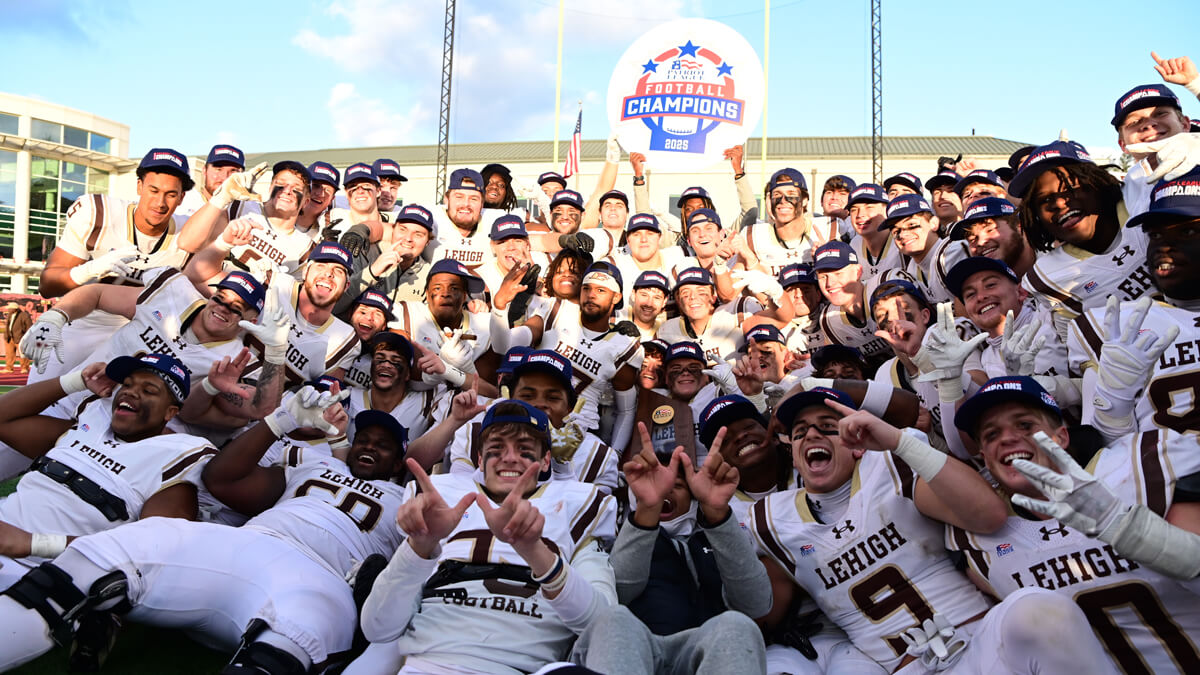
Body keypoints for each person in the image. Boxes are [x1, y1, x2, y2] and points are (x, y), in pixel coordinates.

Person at [0, 388, 411, 673]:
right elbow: (222, 479)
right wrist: (280, 420)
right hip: (244, 545)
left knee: (295, 642)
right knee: (110, 556)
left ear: (400, 462)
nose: (370, 446)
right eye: (364, 439)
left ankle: (111, 612)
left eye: (384, 445)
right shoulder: (316, 464)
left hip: (321, 578)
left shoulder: (411, 496)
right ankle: (104, 606)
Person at [750, 387, 1117, 674]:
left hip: (980, 643)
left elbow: (988, 514)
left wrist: (898, 441)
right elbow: (762, 613)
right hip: (901, 667)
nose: (812, 435)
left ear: (856, 443)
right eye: (800, 433)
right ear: (794, 452)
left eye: (829, 427)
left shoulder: (890, 467)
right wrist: (717, 524)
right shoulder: (771, 520)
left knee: (1039, 609)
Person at [947, 375, 1200, 673]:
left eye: (1025, 425)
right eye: (990, 435)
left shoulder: (1142, 466)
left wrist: (1136, 532)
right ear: (986, 461)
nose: (1006, 438)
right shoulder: (978, 540)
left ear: (1061, 438)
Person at [344, 400, 618, 675]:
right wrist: (420, 545)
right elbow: (378, 627)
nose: (509, 458)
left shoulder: (575, 505)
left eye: (524, 450)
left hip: (521, 666)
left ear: (546, 459)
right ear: (479, 458)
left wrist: (534, 550)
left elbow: (604, 625)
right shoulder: (442, 502)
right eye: (496, 449)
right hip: (429, 661)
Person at [0, 353, 214, 590]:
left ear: (170, 413)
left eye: (149, 390)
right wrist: (76, 381)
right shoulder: (90, 424)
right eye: (128, 384)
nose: (130, 392)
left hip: (40, 573)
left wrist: (34, 544)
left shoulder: (173, 458)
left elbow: (149, 555)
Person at [572, 422, 769, 675]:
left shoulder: (715, 537)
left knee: (736, 625)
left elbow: (757, 604)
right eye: (659, 484)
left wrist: (718, 516)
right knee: (615, 619)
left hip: (704, 652)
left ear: (693, 498)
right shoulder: (617, 534)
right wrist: (647, 510)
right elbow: (616, 594)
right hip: (635, 649)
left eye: (677, 486)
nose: (666, 490)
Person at [1067, 166, 1200, 438]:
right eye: (1155, 235)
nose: (1164, 246)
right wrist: (1114, 405)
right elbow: (1106, 450)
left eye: (1186, 233)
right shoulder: (1116, 327)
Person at [35, 148, 195, 372]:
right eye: (153, 190)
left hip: (142, 333)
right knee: (42, 399)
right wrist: (90, 269)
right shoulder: (99, 214)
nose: (160, 202)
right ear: (139, 186)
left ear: (181, 197)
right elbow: (47, 285)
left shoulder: (190, 233)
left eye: (170, 194)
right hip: (84, 321)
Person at [1009, 140, 1155, 342]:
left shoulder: (1140, 194)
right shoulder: (1048, 276)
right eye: (1044, 200)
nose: (1059, 204)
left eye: (1069, 188)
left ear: (1097, 182)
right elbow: (1083, 349)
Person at [183, 160, 317, 281]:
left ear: (306, 202)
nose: (287, 191)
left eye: (296, 189)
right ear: (270, 187)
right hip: (205, 292)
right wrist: (221, 198)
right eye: (281, 184)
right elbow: (188, 243)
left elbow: (292, 298)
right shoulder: (239, 207)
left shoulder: (305, 249)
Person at [388, 258, 492, 393]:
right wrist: (444, 366)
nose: (445, 294)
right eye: (437, 288)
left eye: (454, 288)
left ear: (465, 295)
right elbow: (409, 379)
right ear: (426, 293)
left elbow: (491, 392)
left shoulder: (484, 324)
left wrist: (466, 368)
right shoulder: (404, 312)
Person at [733, 169, 835, 276]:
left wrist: (829, 259)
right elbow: (730, 291)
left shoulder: (830, 228)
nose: (783, 200)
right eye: (777, 195)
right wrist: (719, 264)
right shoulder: (753, 236)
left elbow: (849, 278)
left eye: (791, 194)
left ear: (805, 199)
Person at [811, 241, 892, 371]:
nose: (830, 283)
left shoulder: (885, 285)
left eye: (838, 273)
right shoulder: (829, 320)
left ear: (858, 272)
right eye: (823, 276)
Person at [341, 203, 435, 311]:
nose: (408, 238)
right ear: (392, 230)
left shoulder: (429, 274)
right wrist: (372, 271)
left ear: (428, 241)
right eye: (403, 230)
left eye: (418, 234)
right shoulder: (365, 253)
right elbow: (336, 304)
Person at [657, 267, 760, 365]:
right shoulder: (666, 331)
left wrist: (776, 297)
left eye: (701, 292)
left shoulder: (737, 312)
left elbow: (775, 321)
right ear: (679, 301)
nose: (693, 297)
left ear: (713, 296)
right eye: (685, 293)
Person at [878, 194, 969, 304]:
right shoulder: (913, 267)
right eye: (896, 231)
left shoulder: (952, 252)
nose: (903, 235)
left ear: (934, 223)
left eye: (912, 225)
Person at [947, 197, 1038, 279]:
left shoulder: (1051, 262)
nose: (981, 242)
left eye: (990, 229)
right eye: (972, 239)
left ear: (1019, 226)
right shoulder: (982, 293)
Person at [429, 168, 490, 270]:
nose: (466, 204)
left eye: (473, 198)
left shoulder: (493, 220)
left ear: (482, 204)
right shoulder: (432, 218)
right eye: (459, 197)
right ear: (446, 199)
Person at [844, 184, 903, 284]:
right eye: (854, 209)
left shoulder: (901, 242)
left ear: (886, 211)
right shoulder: (855, 243)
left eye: (869, 207)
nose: (860, 214)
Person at [340, 289, 397, 389]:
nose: (369, 317)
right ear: (350, 314)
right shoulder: (330, 340)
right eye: (363, 311)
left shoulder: (385, 362)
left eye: (378, 314)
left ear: (384, 325)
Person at [178, 144, 246, 217]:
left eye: (233, 171)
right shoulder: (184, 202)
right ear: (204, 170)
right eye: (218, 169)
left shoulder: (247, 207)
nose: (224, 177)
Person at [4, 302, 30, 374]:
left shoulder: (24, 315)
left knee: (23, 353)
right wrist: (6, 335)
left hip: (20, 338)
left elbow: (29, 327)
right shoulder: (10, 315)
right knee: (9, 354)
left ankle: (25, 368)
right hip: (9, 337)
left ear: (15, 309)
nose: (8, 310)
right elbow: (7, 326)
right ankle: (9, 368)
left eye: (10, 308)